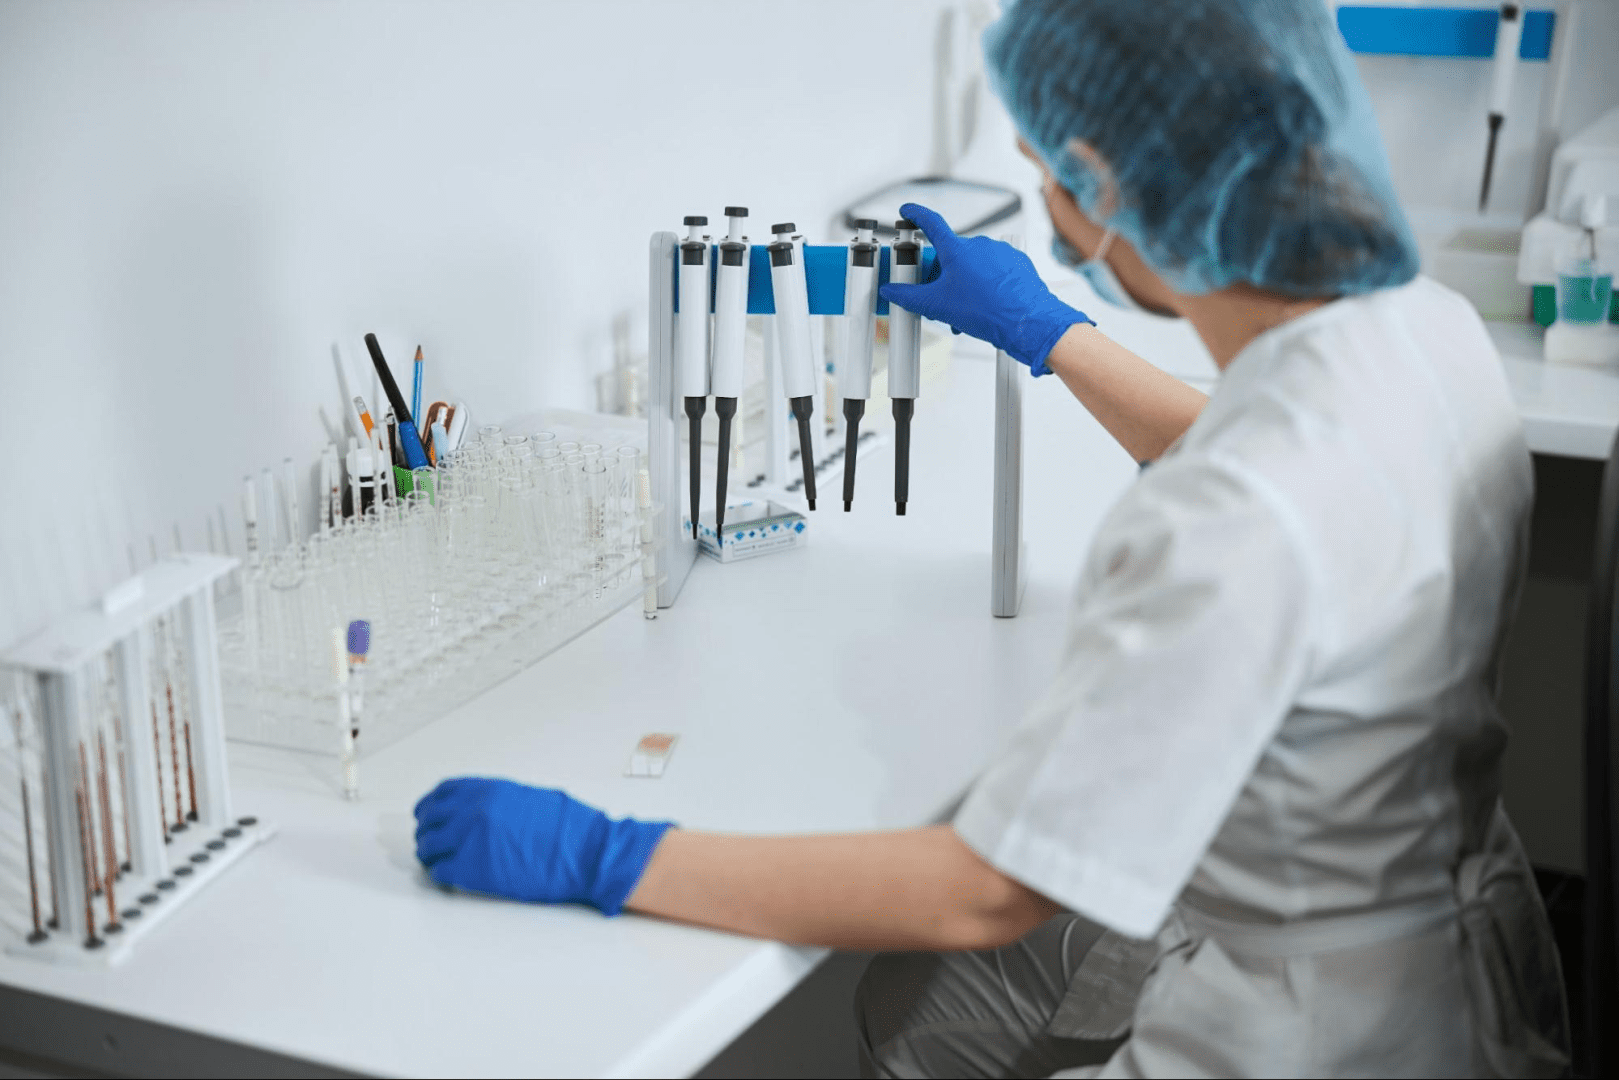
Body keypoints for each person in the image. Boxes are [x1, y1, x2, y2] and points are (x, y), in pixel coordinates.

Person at [411, 1, 1572, 1075]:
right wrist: (1045, 328)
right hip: (1437, 910)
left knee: (921, 1002)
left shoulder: (1221, 522)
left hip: (1302, 1027)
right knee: (914, 1010)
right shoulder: (1425, 329)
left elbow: (982, 893)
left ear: (1105, 185)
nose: (1050, 210)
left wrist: (605, 858)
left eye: (1043, 175)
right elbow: (1288, 452)